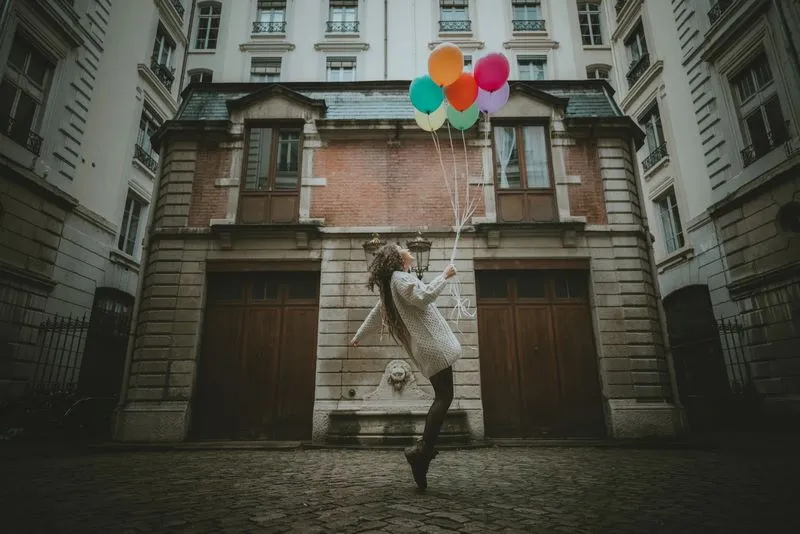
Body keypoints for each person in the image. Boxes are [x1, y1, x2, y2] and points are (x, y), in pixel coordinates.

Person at [349, 243, 461, 490]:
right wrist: (445, 275)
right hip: (433, 345)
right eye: (402, 248)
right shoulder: (400, 278)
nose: (407, 249)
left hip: (428, 347)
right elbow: (423, 297)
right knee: (444, 397)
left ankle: (422, 453)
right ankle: (422, 452)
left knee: (443, 396)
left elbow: (377, 313)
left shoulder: (392, 286)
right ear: (398, 258)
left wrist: (359, 335)